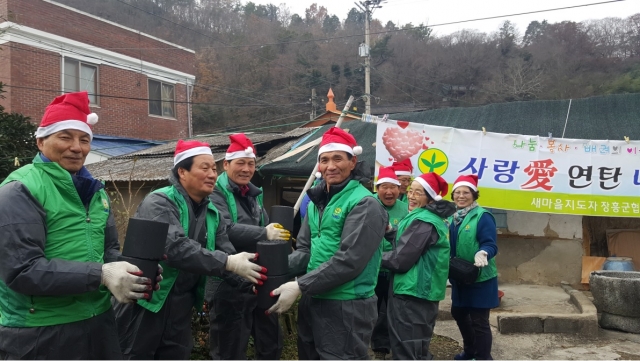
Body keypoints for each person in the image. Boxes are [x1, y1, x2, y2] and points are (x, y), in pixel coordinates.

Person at [0, 91, 156, 359]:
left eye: (84, 139)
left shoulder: (96, 192)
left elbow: (107, 253)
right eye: (65, 137)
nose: (77, 147)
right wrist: (102, 275)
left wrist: (133, 271)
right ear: (40, 141)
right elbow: (22, 270)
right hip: (40, 331)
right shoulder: (21, 189)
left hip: (99, 323)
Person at [113, 139, 265, 360]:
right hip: (146, 302)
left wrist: (252, 284)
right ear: (182, 172)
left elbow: (227, 252)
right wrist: (228, 262)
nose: (212, 174)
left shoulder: (212, 212)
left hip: (181, 306)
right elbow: (175, 248)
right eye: (205, 168)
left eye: (214, 168)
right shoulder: (160, 202)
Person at [267, 127, 389, 360]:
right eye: (324, 160)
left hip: (347, 305)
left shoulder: (365, 204)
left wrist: (299, 286)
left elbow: (350, 260)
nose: (331, 166)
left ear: (353, 162)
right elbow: (304, 250)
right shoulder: (315, 203)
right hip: (314, 298)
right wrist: (269, 268)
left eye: (338, 159)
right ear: (318, 166)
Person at [207, 133, 289, 360]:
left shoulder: (254, 194)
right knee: (229, 349)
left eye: (251, 164)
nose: (246, 169)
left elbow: (264, 236)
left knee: (271, 343)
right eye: (240, 163)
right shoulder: (214, 192)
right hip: (228, 279)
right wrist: (265, 232)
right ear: (226, 164)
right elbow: (224, 228)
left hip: (258, 279)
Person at [382, 172, 455, 360]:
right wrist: (390, 231)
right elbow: (406, 239)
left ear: (430, 198)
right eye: (411, 191)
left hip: (413, 292)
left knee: (407, 345)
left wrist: (370, 257)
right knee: (417, 344)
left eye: (418, 193)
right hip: (419, 291)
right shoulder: (422, 216)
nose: (411, 196)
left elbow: (401, 259)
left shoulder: (424, 221)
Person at [448, 174, 499, 361]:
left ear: (474, 195)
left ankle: (483, 357)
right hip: (460, 276)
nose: (461, 196)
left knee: (479, 321)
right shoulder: (453, 217)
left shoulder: (483, 216)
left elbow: (491, 244)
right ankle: (470, 352)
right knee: (459, 312)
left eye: (466, 192)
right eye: (457, 192)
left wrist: (484, 252)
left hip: (480, 277)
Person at [372, 166, 408, 360]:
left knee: (395, 311)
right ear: (377, 189)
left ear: (398, 189)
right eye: (384, 187)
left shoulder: (406, 209)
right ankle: (377, 346)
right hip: (372, 269)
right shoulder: (368, 205)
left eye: (392, 187)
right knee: (372, 310)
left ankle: (397, 346)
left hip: (396, 270)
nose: (389, 191)